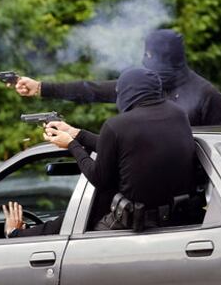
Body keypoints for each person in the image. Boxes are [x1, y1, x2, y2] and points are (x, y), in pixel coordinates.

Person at [43, 67, 196, 230]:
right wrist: (77, 134)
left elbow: (99, 179)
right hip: (180, 219)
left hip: (135, 225)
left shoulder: (116, 125)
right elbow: (125, 147)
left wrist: (71, 145)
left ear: (128, 91)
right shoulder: (179, 115)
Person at [14, 29, 221, 126]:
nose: (145, 61)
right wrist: (41, 87)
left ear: (168, 57)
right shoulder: (142, 85)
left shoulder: (206, 95)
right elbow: (91, 89)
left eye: (150, 56)